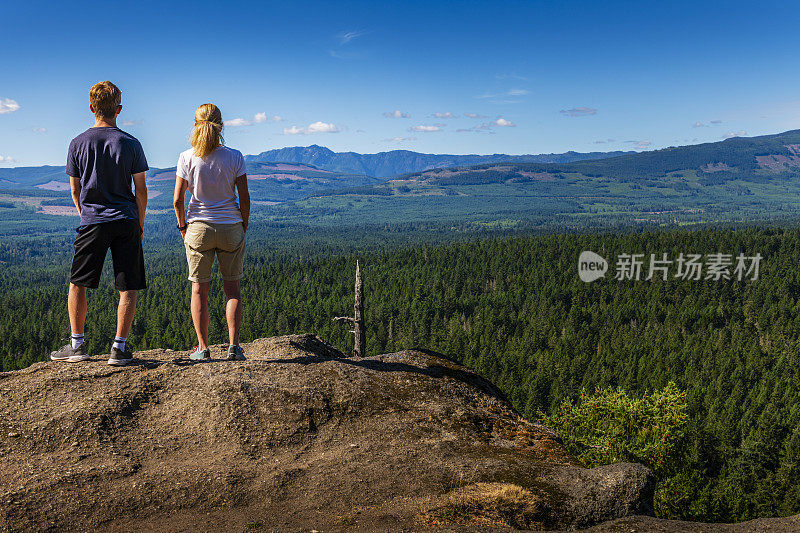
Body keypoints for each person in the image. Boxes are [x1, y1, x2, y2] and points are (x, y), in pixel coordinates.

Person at [50, 81, 148, 366]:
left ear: (92, 108)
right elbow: (140, 189)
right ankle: (119, 349)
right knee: (127, 285)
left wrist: (85, 213)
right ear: (119, 109)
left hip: (92, 220)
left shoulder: (77, 143)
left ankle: (77, 345)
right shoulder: (131, 143)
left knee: (78, 283)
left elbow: (74, 189)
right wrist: (139, 223)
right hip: (127, 219)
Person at [173, 103, 250, 361]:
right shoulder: (235, 156)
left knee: (199, 291)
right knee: (233, 290)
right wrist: (243, 224)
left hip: (198, 229)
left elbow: (177, 200)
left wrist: (183, 227)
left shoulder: (187, 157)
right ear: (221, 126)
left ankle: (203, 348)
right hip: (231, 227)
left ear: (196, 125)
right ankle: (234, 347)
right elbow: (245, 197)